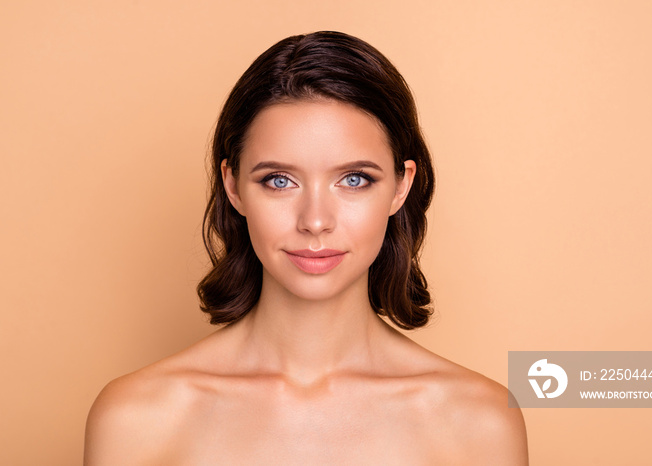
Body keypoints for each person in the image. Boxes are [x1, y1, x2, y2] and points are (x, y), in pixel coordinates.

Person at [84, 31, 528, 465]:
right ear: (233, 185)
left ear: (400, 186)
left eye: (354, 179)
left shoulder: (480, 422)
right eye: (279, 180)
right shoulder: (134, 418)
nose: (315, 221)